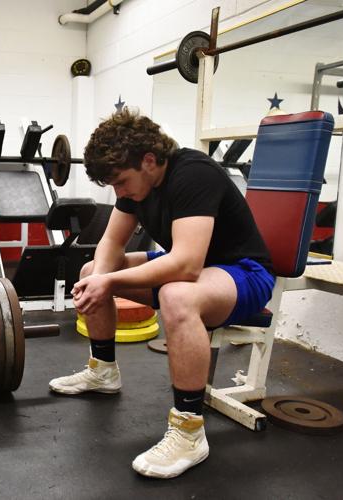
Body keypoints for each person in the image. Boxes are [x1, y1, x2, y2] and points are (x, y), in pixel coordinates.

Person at [48, 108, 274, 479]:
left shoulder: (193, 174)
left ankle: (189, 431)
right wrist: (100, 279)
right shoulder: (137, 185)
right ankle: (103, 371)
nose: (119, 193)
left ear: (149, 160)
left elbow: (186, 265)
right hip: (197, 268)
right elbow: (111, 242)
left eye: (121, 182)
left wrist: (112, 283)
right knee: (93, 269)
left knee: (176, 295)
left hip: (244, 272)